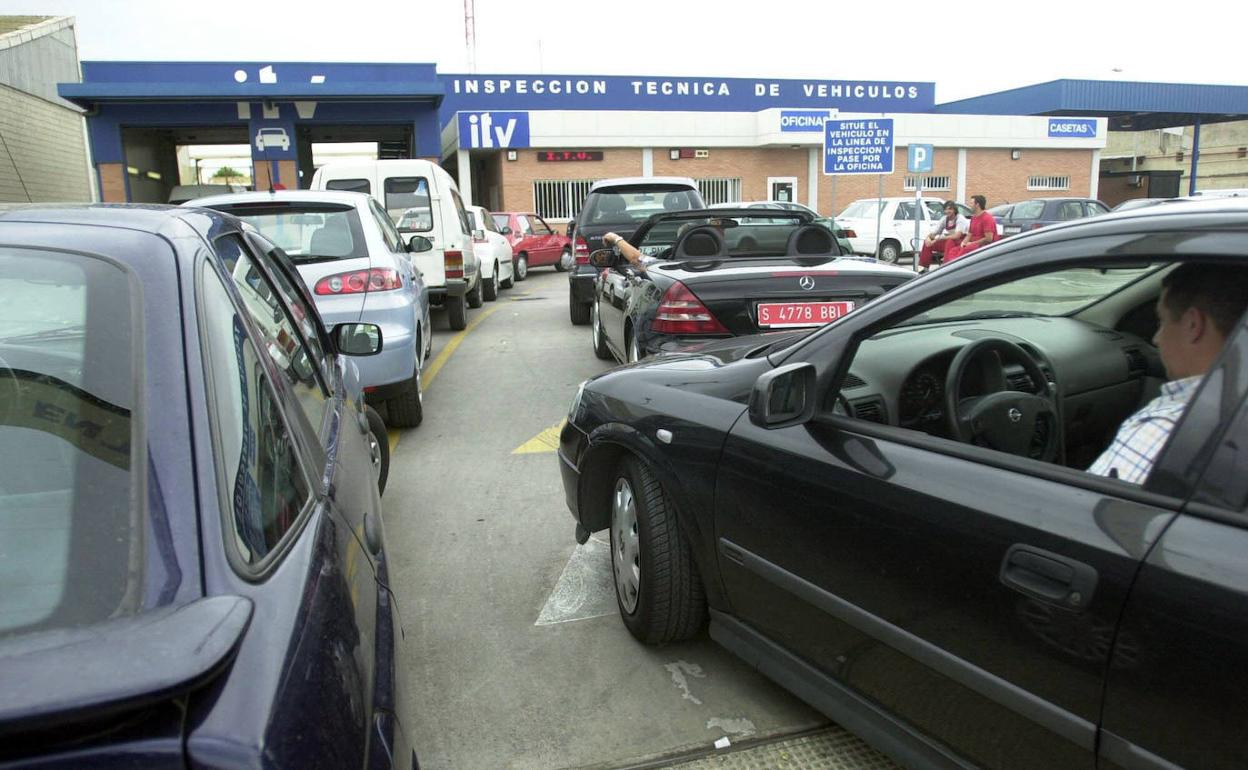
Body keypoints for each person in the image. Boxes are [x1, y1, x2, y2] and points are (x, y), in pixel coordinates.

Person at [1088, 263, 1248, 484]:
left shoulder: (1167, 431)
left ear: (1193, 324)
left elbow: (1080, 513)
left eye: (1162, 321)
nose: (1156, 338)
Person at [917, 200, 968, 273]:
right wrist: (928, 238)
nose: (947, 211)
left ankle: (946, 266)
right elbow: (934, 233)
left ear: (954, 210)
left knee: (949, 241)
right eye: (946, 209)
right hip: (950, 240)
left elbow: (957, 236)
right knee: (927, 243)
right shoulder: (944, 219)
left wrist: (939, 238)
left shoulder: (960, 218)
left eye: (950, 209)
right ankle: (923, 268)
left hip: (961, 242)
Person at [945, 195, 997, 263]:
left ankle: (956, 269)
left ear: (977, 205)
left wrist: (972, 243)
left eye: (971, 203)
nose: (970, 205)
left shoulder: (987, 218)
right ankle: (946, 267)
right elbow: (969, 234)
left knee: (964, 251)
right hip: (971, 244)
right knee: (953, 251)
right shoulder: (974, 218)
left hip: (982, 246)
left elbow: (989, 239)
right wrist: (964, 242)